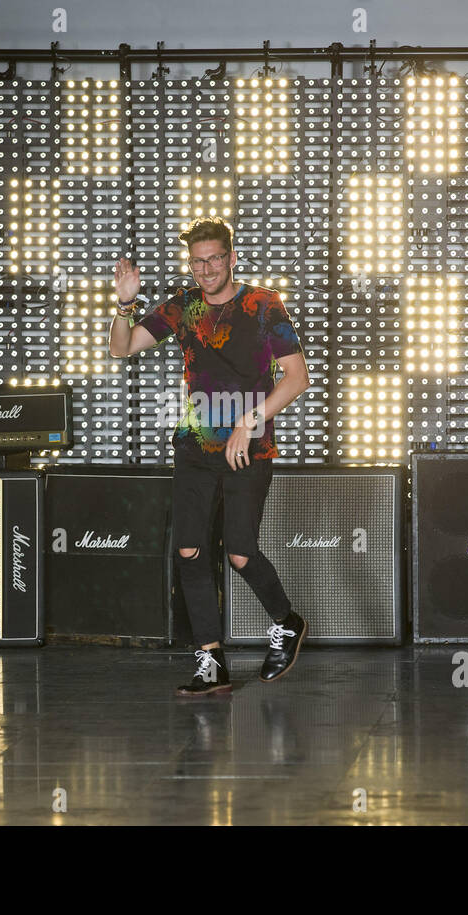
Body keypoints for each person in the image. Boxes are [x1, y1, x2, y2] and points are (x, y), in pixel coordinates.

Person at [110, 217, 311, 696]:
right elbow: (123, 349)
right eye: (198, 261)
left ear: (231, 258)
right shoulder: (182, 306)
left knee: (239, 552)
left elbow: (297, 378)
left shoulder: (262, 304)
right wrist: (124, 304)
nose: (206, 269)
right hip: (195, 445)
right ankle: (210, 659)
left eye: (215, 259)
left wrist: (249, 421)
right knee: (189, 550)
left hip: (249, 446)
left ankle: (286, 621)